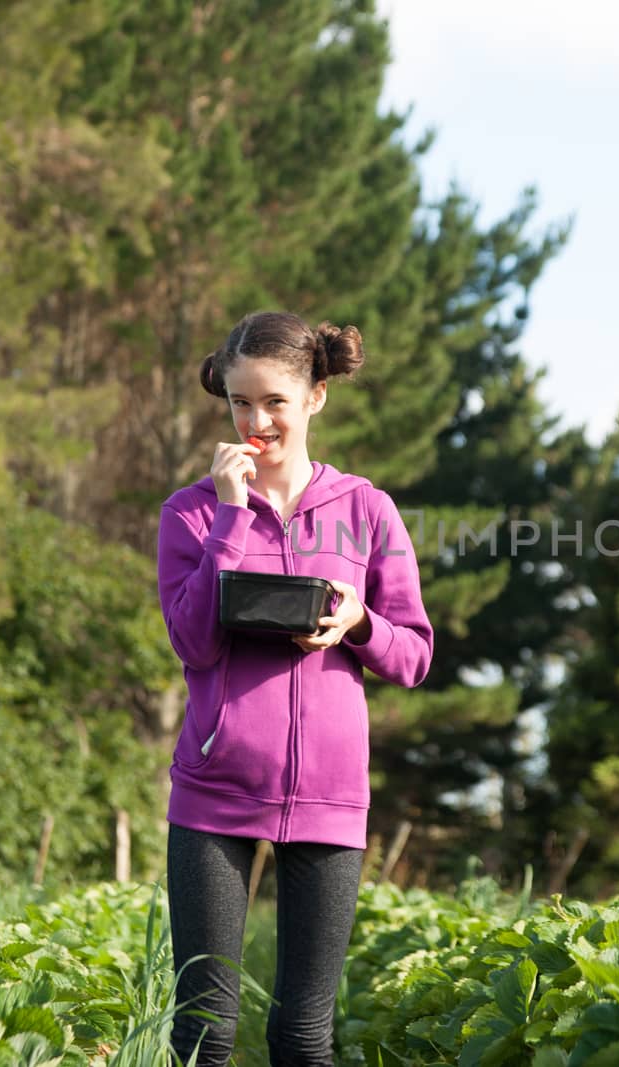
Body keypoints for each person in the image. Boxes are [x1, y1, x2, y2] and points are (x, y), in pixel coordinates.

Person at [155, 310, 433, 1067]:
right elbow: (193, 641)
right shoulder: (190, 512)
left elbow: (413, 655)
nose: (256, 420)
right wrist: (229, 518)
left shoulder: (367, 510)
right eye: (240, 402)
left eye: (274, 400)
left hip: (330, 799)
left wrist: (358, 620)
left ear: (315, 397)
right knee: (205, 1033)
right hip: (214, 791)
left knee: (304, 1038)